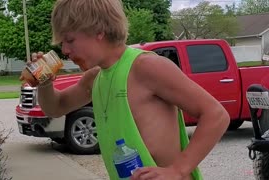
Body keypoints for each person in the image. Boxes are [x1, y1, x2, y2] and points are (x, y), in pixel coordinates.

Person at [26, 0, 230, 179]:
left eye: (69, 40)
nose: (65, 51)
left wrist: (177, 170)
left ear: (99, 30)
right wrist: (45, 83)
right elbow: (56, 107)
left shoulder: (146, 67)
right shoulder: (95, 77)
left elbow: (216, 115)